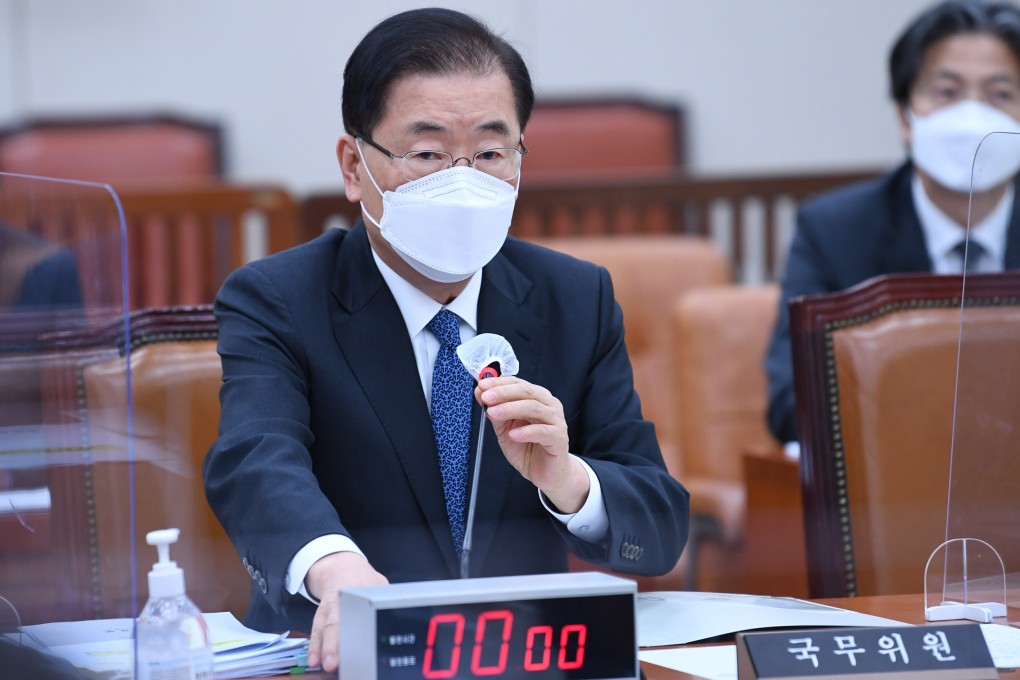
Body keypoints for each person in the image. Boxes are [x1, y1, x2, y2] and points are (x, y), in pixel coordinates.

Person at [203, 7, 689, 673]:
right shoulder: (278, 298)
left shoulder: (573, 298)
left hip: (524, 658)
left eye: (491, 153)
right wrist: (339, 573)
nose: (463, 182)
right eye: (427, 153)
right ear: (354, 167)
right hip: (341, 658)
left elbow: (659, 527)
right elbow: (256, 463)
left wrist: (568, 480)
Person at [766, 0, 1020, 445]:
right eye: (947, 92)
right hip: (900, 484)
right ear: (905, 116)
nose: (972, 117)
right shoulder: (835, 232)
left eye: (1000, 95)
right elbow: (793, 404)